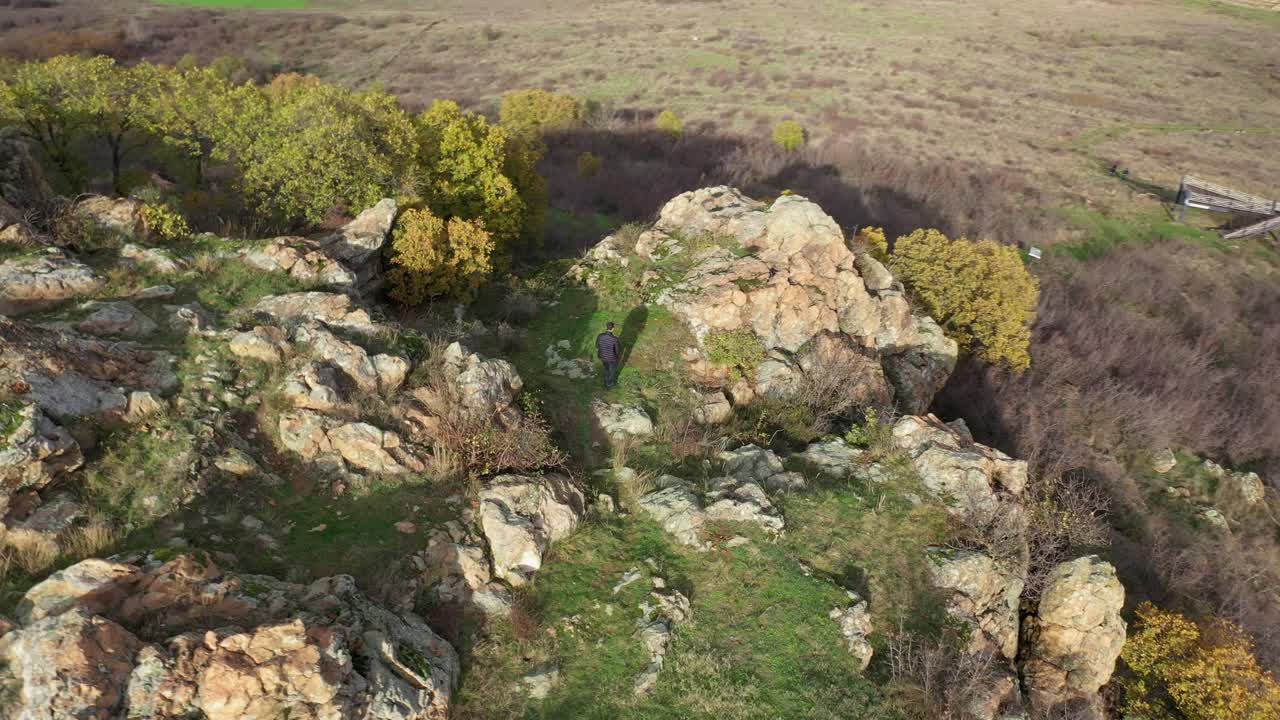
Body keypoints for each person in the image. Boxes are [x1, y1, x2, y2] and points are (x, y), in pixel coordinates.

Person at [596, 321, 622, 389]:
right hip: (612, 358)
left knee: (606, 369)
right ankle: (609, 383)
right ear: (613, 328)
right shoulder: (615, 339)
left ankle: (605, 381)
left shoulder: (600, 336)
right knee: (612, 371)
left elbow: (597, 346)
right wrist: (617, 357)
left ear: (606, 327)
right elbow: (617, 351)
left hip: (603, 356)